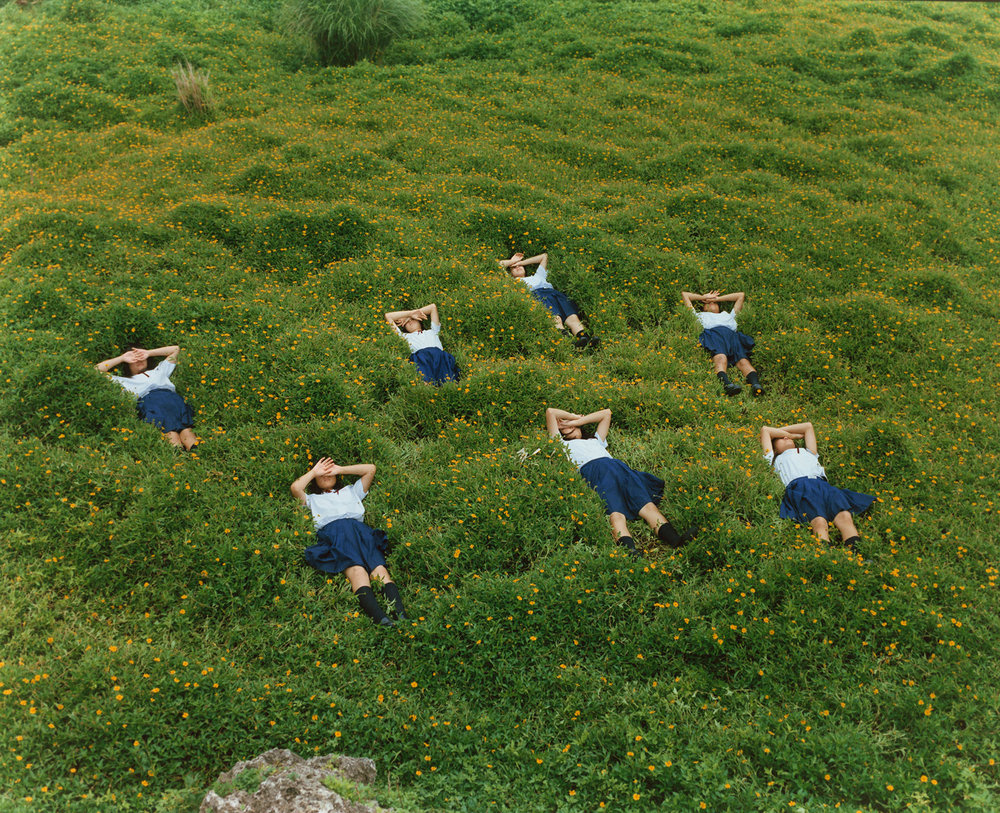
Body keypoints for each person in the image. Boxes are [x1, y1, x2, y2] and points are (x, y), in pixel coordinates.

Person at [546, 406, 694, 557]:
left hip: (620, 470)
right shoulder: (562, 446)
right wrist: (572, 418)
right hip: (597, 476)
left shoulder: (596, 440)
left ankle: (675, 541)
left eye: (572, 426)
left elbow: (606, 413)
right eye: (564, 427)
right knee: (616, 515)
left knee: (648, 507)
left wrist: (576, 419)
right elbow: (551, 412)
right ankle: (630, 554)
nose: (568, 427)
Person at [291, 457, 406, 627]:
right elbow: (296, 487)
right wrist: (315, 471)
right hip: (336, 534)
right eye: (322, 472)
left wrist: (339, 469)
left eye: (329, 471)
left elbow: (370, 468)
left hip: (361, 532)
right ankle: (381, 618)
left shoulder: (351, 491)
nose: (326, 474)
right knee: (357, 572)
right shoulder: (312, 499)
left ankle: (401, 615)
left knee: (379, 570)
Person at [760, 421, 874, 551]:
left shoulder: (809, 452)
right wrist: (794, 435)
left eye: (788, 436)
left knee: (844, 516)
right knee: (819, 521)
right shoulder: (774, 458)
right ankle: (826, 557)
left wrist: (786, 434)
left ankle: (857, 554)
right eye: (780, 438)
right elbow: (765, 430)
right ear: (774, 449)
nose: (786, 437)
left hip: (823, 485)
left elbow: (808, 426)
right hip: (800, 487)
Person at [96, 344, 199, 450]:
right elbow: (95, 371)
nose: (138, 360)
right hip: (151, 404)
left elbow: (175, 349)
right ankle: (179, 459)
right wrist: (122, 358)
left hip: (173, 400)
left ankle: (197, 457)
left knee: (187, 432)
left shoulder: (159, 370)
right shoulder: (123, 381)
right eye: (134, 359)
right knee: (171, 435)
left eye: (140, 356)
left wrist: (148, 353)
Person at [499, 252, 599, 349]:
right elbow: (499, 265)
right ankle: (569, 344)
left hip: (554, 293)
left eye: (519, 266)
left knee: (572, 317)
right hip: (537, 295)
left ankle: (585, 339)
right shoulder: (512, 282)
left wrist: (521, 262)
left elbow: (544, 256)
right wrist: (512, 261)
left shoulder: (538, 276)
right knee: (556, 319)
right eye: (513, 267)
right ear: (510, 273)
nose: (517, 267)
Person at [681, 290, 763, 397]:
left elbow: (740, 295)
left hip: (732, 336)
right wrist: (703, 297)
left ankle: (756, 385)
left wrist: (716, 298)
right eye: (707, 303)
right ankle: (727, 384)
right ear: (703, 308)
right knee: (721, 358)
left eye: (714, 303)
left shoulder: (728, 315)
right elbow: (685, 295)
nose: (711, 303)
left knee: (743, 361)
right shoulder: (699, 316)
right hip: (714, 334)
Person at [384, 303, 461, 386]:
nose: (410, 322)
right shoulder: (404, 336)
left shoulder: (433, 331)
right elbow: (388, 316)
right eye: (407, 322)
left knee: (449, 380)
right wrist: (410, 314)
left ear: (419, 320)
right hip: (421, 358)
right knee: (423, 376)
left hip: (439, 356)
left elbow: (432, 307)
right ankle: (428, 388)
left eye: (413, 319)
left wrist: (411, 316)